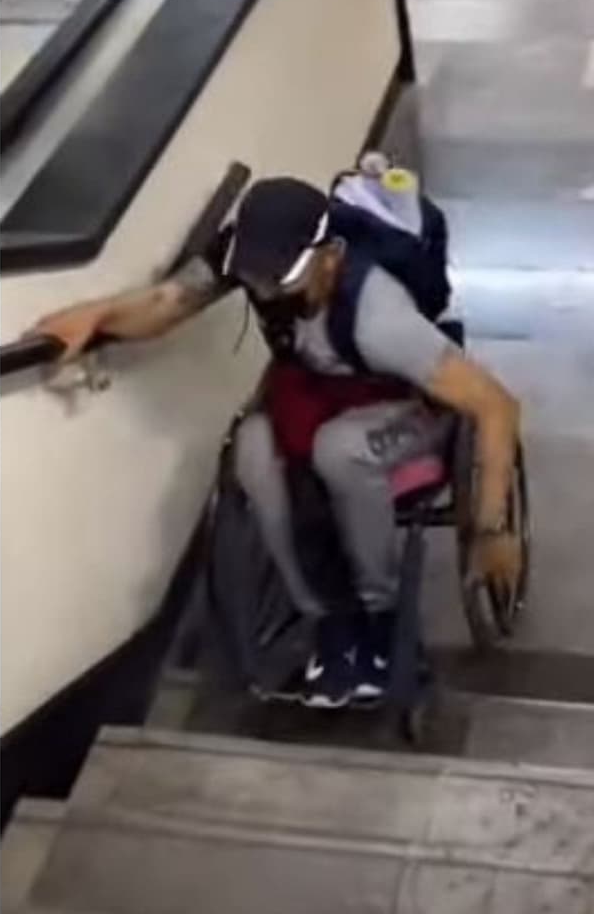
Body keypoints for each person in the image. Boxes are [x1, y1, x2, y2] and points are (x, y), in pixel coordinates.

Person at [32, 176, 522, 708]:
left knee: (339, 450)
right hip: (317, 394)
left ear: (330, 257)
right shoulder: (249, 258)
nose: (265, 293)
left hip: (407, 406)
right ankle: (329, 618)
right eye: (257, 280)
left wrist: (492, 532)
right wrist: (95, 316)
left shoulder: (379, 315)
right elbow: (165, 303)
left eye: (280, 281)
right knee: (253, 450)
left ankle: (378, 618)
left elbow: (495, 404)